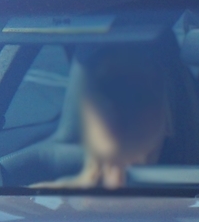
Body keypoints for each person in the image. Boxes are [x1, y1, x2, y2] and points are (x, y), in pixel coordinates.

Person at [37, 49, 174, 190]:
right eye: (109, 88)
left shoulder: (187, 201)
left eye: (139, 95)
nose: (120, 107)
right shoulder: (42, 201)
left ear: (168, 118)